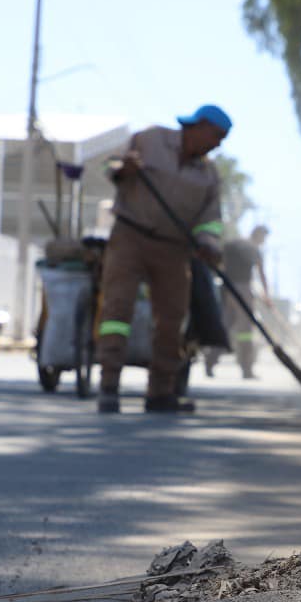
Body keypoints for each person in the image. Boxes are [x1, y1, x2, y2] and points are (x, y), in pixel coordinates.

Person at [96, 104, 230, 414]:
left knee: (172, 319)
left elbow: (210, 219)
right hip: (130, 236)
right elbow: (110, 164)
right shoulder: (150, 140)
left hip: (173, 249)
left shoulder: (208, 175)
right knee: (117, 310)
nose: (219, 144)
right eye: (217, 136)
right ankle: (109, 385)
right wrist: (122, 169)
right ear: (199, 126)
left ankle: (160, 392)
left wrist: (208, 243)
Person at [205, 224, 270, 379]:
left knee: (226, 326)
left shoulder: (232, 244)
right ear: (258, 235)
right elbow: (261, 274)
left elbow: (218, 262)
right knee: (245, 332)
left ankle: (210, 360)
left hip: (227, 289)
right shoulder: (253, 249)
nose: (263, 241)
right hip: (243, 289)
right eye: (264, 238)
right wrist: (267, 297)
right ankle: (246, 369)